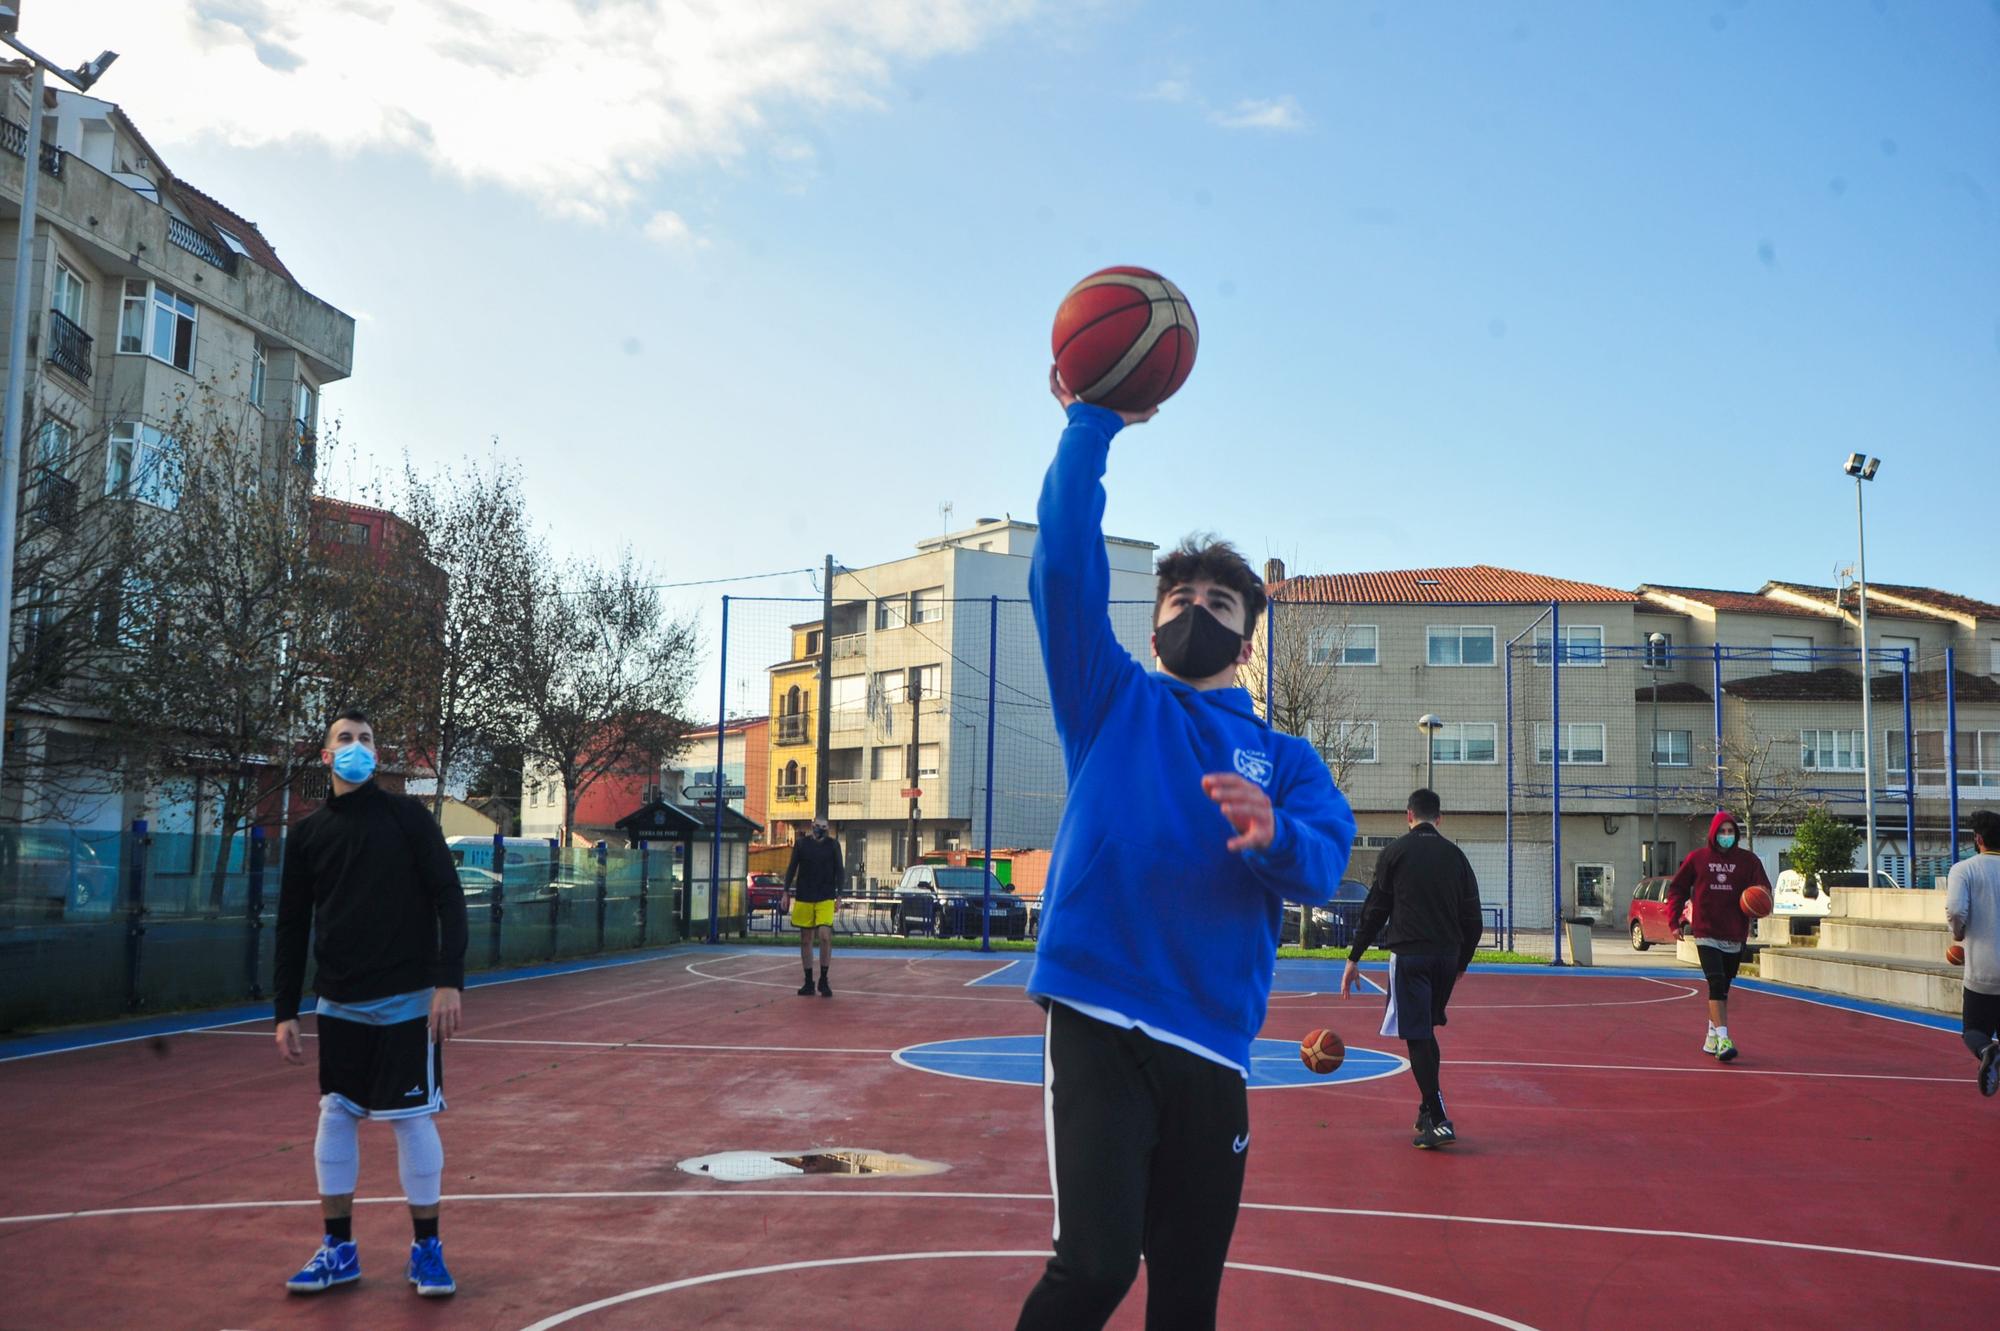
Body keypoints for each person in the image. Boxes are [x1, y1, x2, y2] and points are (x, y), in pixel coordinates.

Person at [1014, 369, 1357, 1331]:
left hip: (1211, 1043)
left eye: (1218, 598)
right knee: (1092, 1267)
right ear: (1155, 619)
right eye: (1178, 593)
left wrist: (1274, 836)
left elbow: (1323, 863)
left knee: (1187, 1303)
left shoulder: (1286, 759)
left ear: (1247, 640)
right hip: (1100, 1014)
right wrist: (1090, 425)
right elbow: (1064, 569)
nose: (1194, 606)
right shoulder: (1109, 697)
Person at [273, 709, 468, 1297]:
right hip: (339, 1003)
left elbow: (449, 898)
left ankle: (427, 1250)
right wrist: (285, 1010)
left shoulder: (408, 818)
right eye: (345, 739)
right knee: (336, 1113)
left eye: (366, 739)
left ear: (376, 756)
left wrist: (448, 980)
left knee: (411, 1119)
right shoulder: (308, 835)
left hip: (409, 999)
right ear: (326, 757)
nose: (357, 747)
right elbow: (290, 925)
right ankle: (338, 1250)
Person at [1340, 788, 1483, 1148]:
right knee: (1427, 1031)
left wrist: (1353, 957)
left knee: (1417, 1035)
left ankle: (1437, 1118)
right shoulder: (1456, 857)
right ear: (1439, 819)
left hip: (1410, 956)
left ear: (1408, 816)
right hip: (1446, 957)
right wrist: (1462, 961)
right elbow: (1474, 919)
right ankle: (1425, 1111)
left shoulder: (1395, 853)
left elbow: (1375, 910)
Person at [1664, 810, 1769, 1063]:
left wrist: (1761, 900)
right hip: (1706, 931)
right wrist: (1674, 920)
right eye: (1721, 831)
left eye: (1730, 831)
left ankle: (1711, 1034)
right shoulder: (1698, 859)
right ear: (1713, 833)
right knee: (1716, 983)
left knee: (1724, 988)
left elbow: (1763, 889)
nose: (1726, 836)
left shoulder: (1749, 861)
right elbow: (1677, 888)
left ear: (1736, 834)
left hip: (1734, 932)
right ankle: (1724, 1039)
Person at [1944, 808, 2000, 1097]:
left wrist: (1958, 933)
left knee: (1973, 1031)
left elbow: (1955, 909)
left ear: (1978, 838)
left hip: (1983, 972)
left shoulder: (1964, 869)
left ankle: (1986, 1050)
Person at [785, 819, 843, 997]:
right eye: (819, 826)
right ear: (812, 826)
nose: (822, 830)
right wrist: (785, 891)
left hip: (825, 896)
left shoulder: (833, 845)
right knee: (806, 938)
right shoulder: (802, 844)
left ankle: (823, 979)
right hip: (805, 896)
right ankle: (808, 981)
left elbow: (840, 870)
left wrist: (839, 895)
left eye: (825, 827)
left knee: (825, 936)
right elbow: (792, 867)